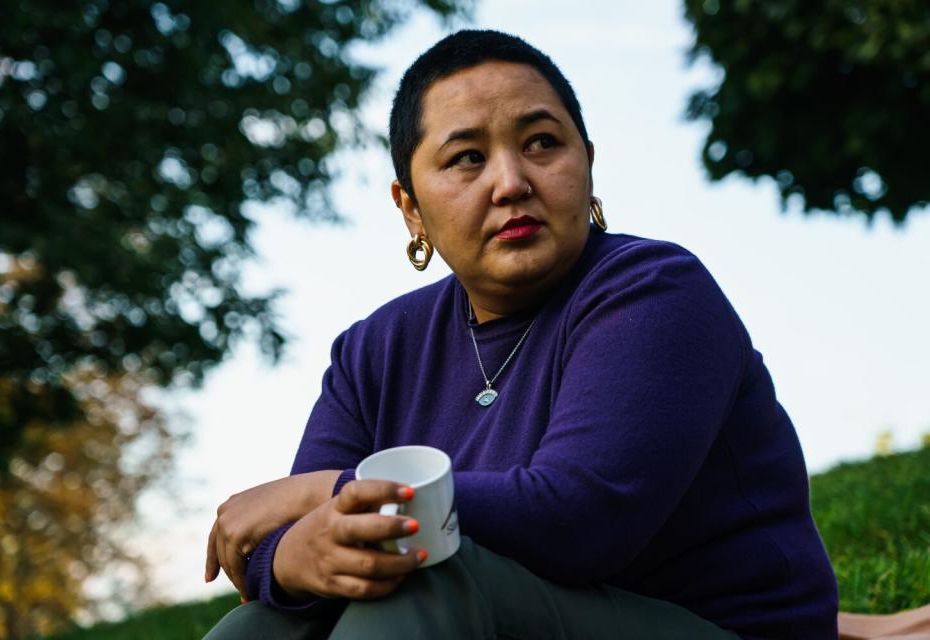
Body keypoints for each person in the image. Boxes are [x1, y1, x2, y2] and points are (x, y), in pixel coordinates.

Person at [202, 29, 838, 639]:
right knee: (267, 623)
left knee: (426, 577)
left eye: (540, 143)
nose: (511, 182)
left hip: (704, 625)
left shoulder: (655, 290)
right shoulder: (374, 350)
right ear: (410, 207)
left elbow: (580, 518)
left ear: (586, 162)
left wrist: (326, 492)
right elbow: (282, 539)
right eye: (467, 158)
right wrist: (289, 562)